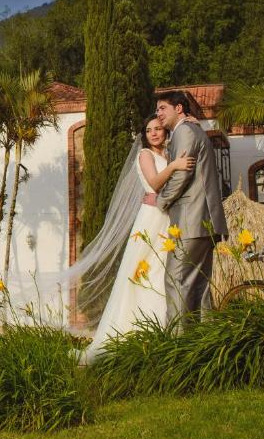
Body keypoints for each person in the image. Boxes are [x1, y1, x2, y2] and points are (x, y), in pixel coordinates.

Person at [82, 114, 194, 363]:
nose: (154, 133)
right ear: (144, 135)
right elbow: (154, 183)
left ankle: (165, 330)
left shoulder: (167, 154)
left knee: (164, 270)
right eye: (149, 130)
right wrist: (175, 166)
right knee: (143, 272)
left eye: (158, 129)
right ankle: (135, 329)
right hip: (151, 217)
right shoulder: (145, 155)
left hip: (167, 217)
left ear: (165, 132)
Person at [143, 90, 227, 326]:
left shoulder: (185, 131)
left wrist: (160, 201)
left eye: (162, 108)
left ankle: (177, 345)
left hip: (192, 219)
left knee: (176, 280)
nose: (158, 114)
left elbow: (181, 176)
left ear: (178, 109)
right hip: (204, 220)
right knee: (199, 286)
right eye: (157, 109)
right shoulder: (188, 130)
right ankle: (203, 344)